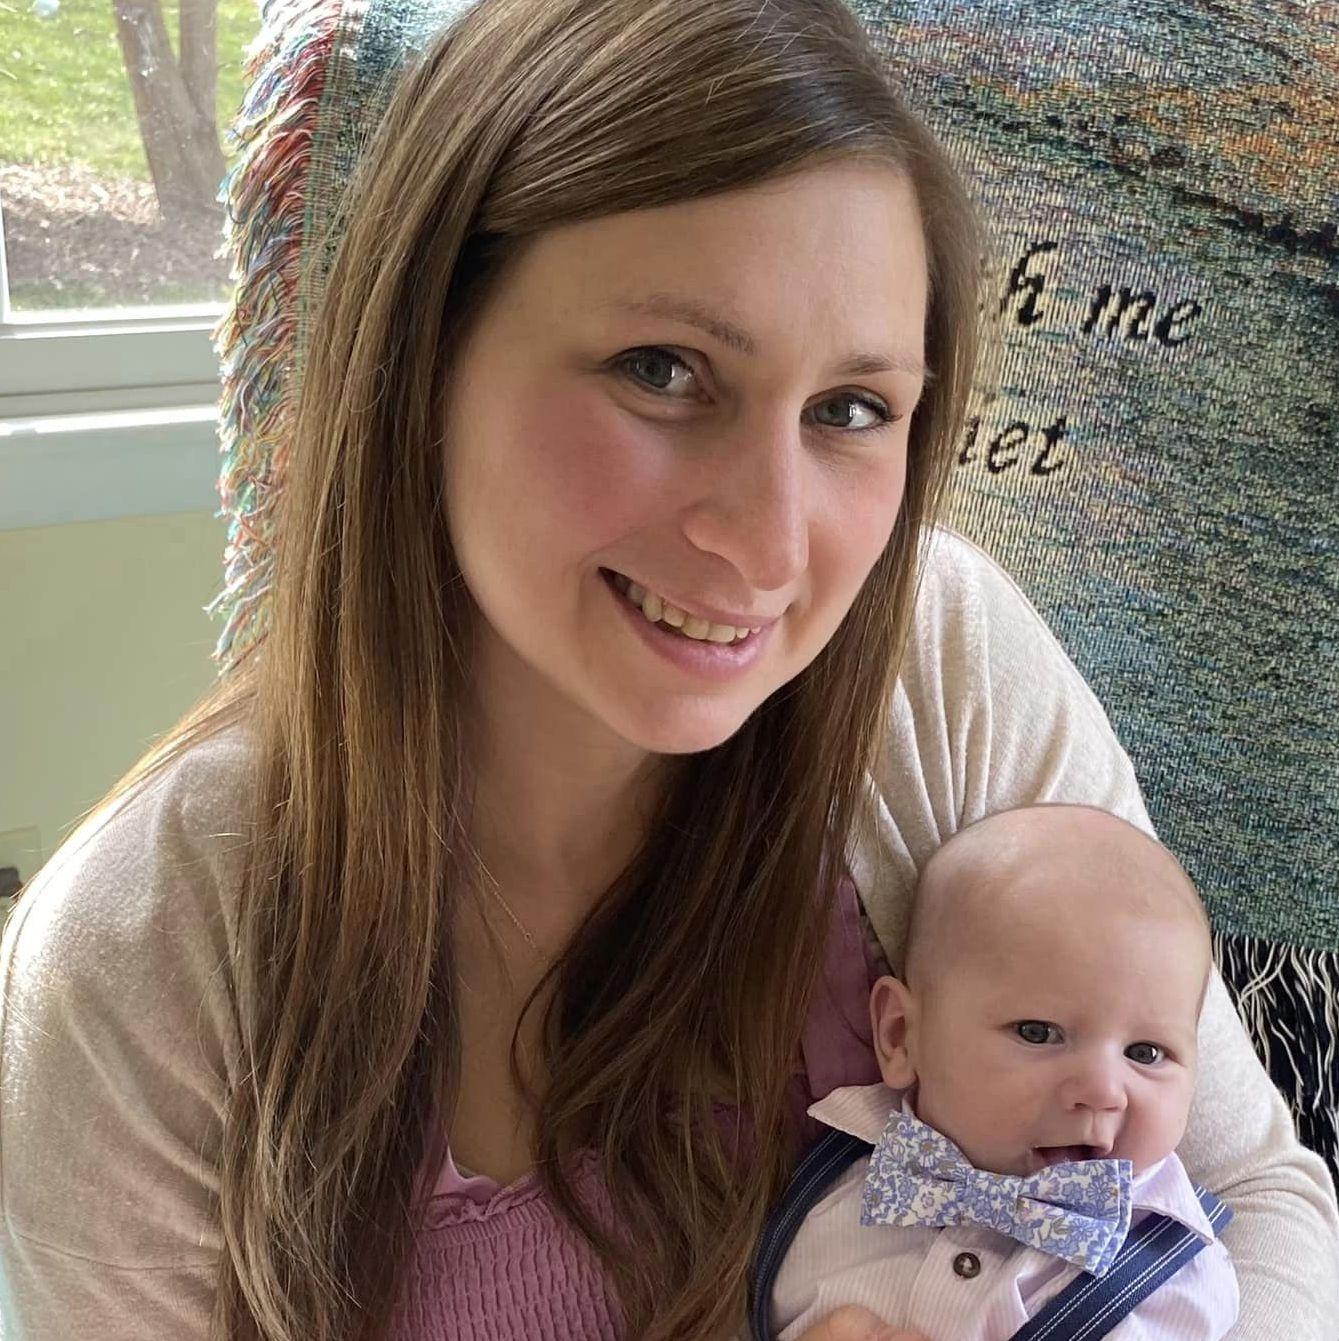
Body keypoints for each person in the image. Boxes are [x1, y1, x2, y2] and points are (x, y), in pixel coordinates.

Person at [0, 1, 1335, 1339]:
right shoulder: (145, 958)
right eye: (662, 371)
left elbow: (1251, 1197)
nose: (769, 542)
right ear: (424, 356)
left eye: (849, 409)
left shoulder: (934, 663)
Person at [753, 804, 1238, 1340]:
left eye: (1145, 1053)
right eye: (1038, 1032)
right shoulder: (824, 1185)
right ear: (900, 1036)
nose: (1103, 1091)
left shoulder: (1176, 1280)